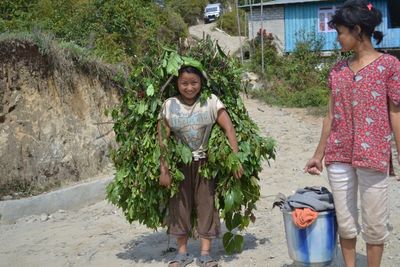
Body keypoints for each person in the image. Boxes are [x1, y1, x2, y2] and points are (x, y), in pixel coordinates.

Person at [304, 1, 400, 266]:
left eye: (340, 32)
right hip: (339, 154)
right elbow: (330, 115)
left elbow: (396, 113)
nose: (337, 39)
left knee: (375, 223)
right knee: (345, 223)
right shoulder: (337, 71)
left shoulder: (389, 66)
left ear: (357, 30)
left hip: (374, 153)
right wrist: (318, 154)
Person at [158, 65, 243, 267]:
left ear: (201, 83)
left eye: (194, 83)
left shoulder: (211, 101)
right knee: (179, 206)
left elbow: (228, 128)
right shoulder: (169, 105)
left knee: (207, 203)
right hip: (179, 165)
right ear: (177, 84)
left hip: (205, 162)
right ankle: (182, 253)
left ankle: (205, 254)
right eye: (184, 83)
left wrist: (235, 159)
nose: (189, 87)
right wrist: (165, 169)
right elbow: (162, 139)